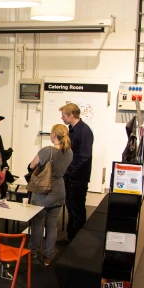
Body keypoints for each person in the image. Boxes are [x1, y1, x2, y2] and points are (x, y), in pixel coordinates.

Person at [27, 124, 73, 266]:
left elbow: (31, 166)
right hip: (59, 191)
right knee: (52, 225)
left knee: (37, 224)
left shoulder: (47, 151)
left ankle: (33, 251)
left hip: (43, 192)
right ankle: (47, 256)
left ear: (54, 135)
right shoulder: (69, 152)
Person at [60, 103, 93, 242]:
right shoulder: (71, 130)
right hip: (70, 177)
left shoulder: (84, 131)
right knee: (70, 208)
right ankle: (70, 237)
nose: (62, 118)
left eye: (63, 116)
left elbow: (85, 156)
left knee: (77, 210)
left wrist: (72, 172)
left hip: (78, 178)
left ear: (71, 116)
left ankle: (77, 241)